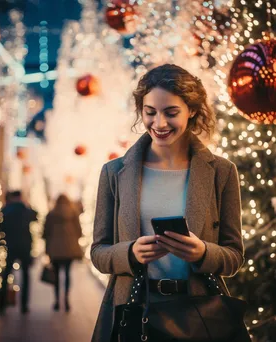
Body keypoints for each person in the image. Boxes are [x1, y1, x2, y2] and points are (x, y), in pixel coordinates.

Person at [91, 64, 246, 342]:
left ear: (193, 111)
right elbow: (98, 252)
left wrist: (202, 253)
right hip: (134, 312)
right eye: (150, 112)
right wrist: (130, 253)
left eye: (171, 113)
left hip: (199, 316)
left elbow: (234, 257)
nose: (159, 124)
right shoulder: (114, 173)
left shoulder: (221, 172)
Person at [0, 191, 37, 314]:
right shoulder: (25, 209)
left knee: (6, 274)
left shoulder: (6, 210)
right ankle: (24, 305)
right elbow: (35, 216)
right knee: (25, 275)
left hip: (12, 245)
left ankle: (1, 304)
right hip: (25, 246)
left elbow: (1, 228)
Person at [43, 194, 83, 312]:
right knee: (67, 274)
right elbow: (79, 232)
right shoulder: (73, 213)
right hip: (69, 249)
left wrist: (47, 249)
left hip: (54, 249)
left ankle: (56, 301)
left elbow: (46, 233)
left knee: (55, 275)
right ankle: (66, 299)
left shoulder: (51, 214)